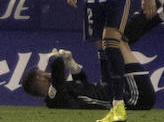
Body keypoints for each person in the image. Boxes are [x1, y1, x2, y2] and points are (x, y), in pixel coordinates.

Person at [22, 45, 155, 112]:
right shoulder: (54, 99)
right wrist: (51, 57)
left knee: (112, 44)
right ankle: (156, 16)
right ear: (39, 79)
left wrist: (74, 68)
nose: (46, 73)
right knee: (118, 43)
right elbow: (57, 66)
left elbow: (83, 86)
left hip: (118, 95)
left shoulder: (59, 93)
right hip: (132, 102)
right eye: (42, 73)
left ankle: (157, 16)